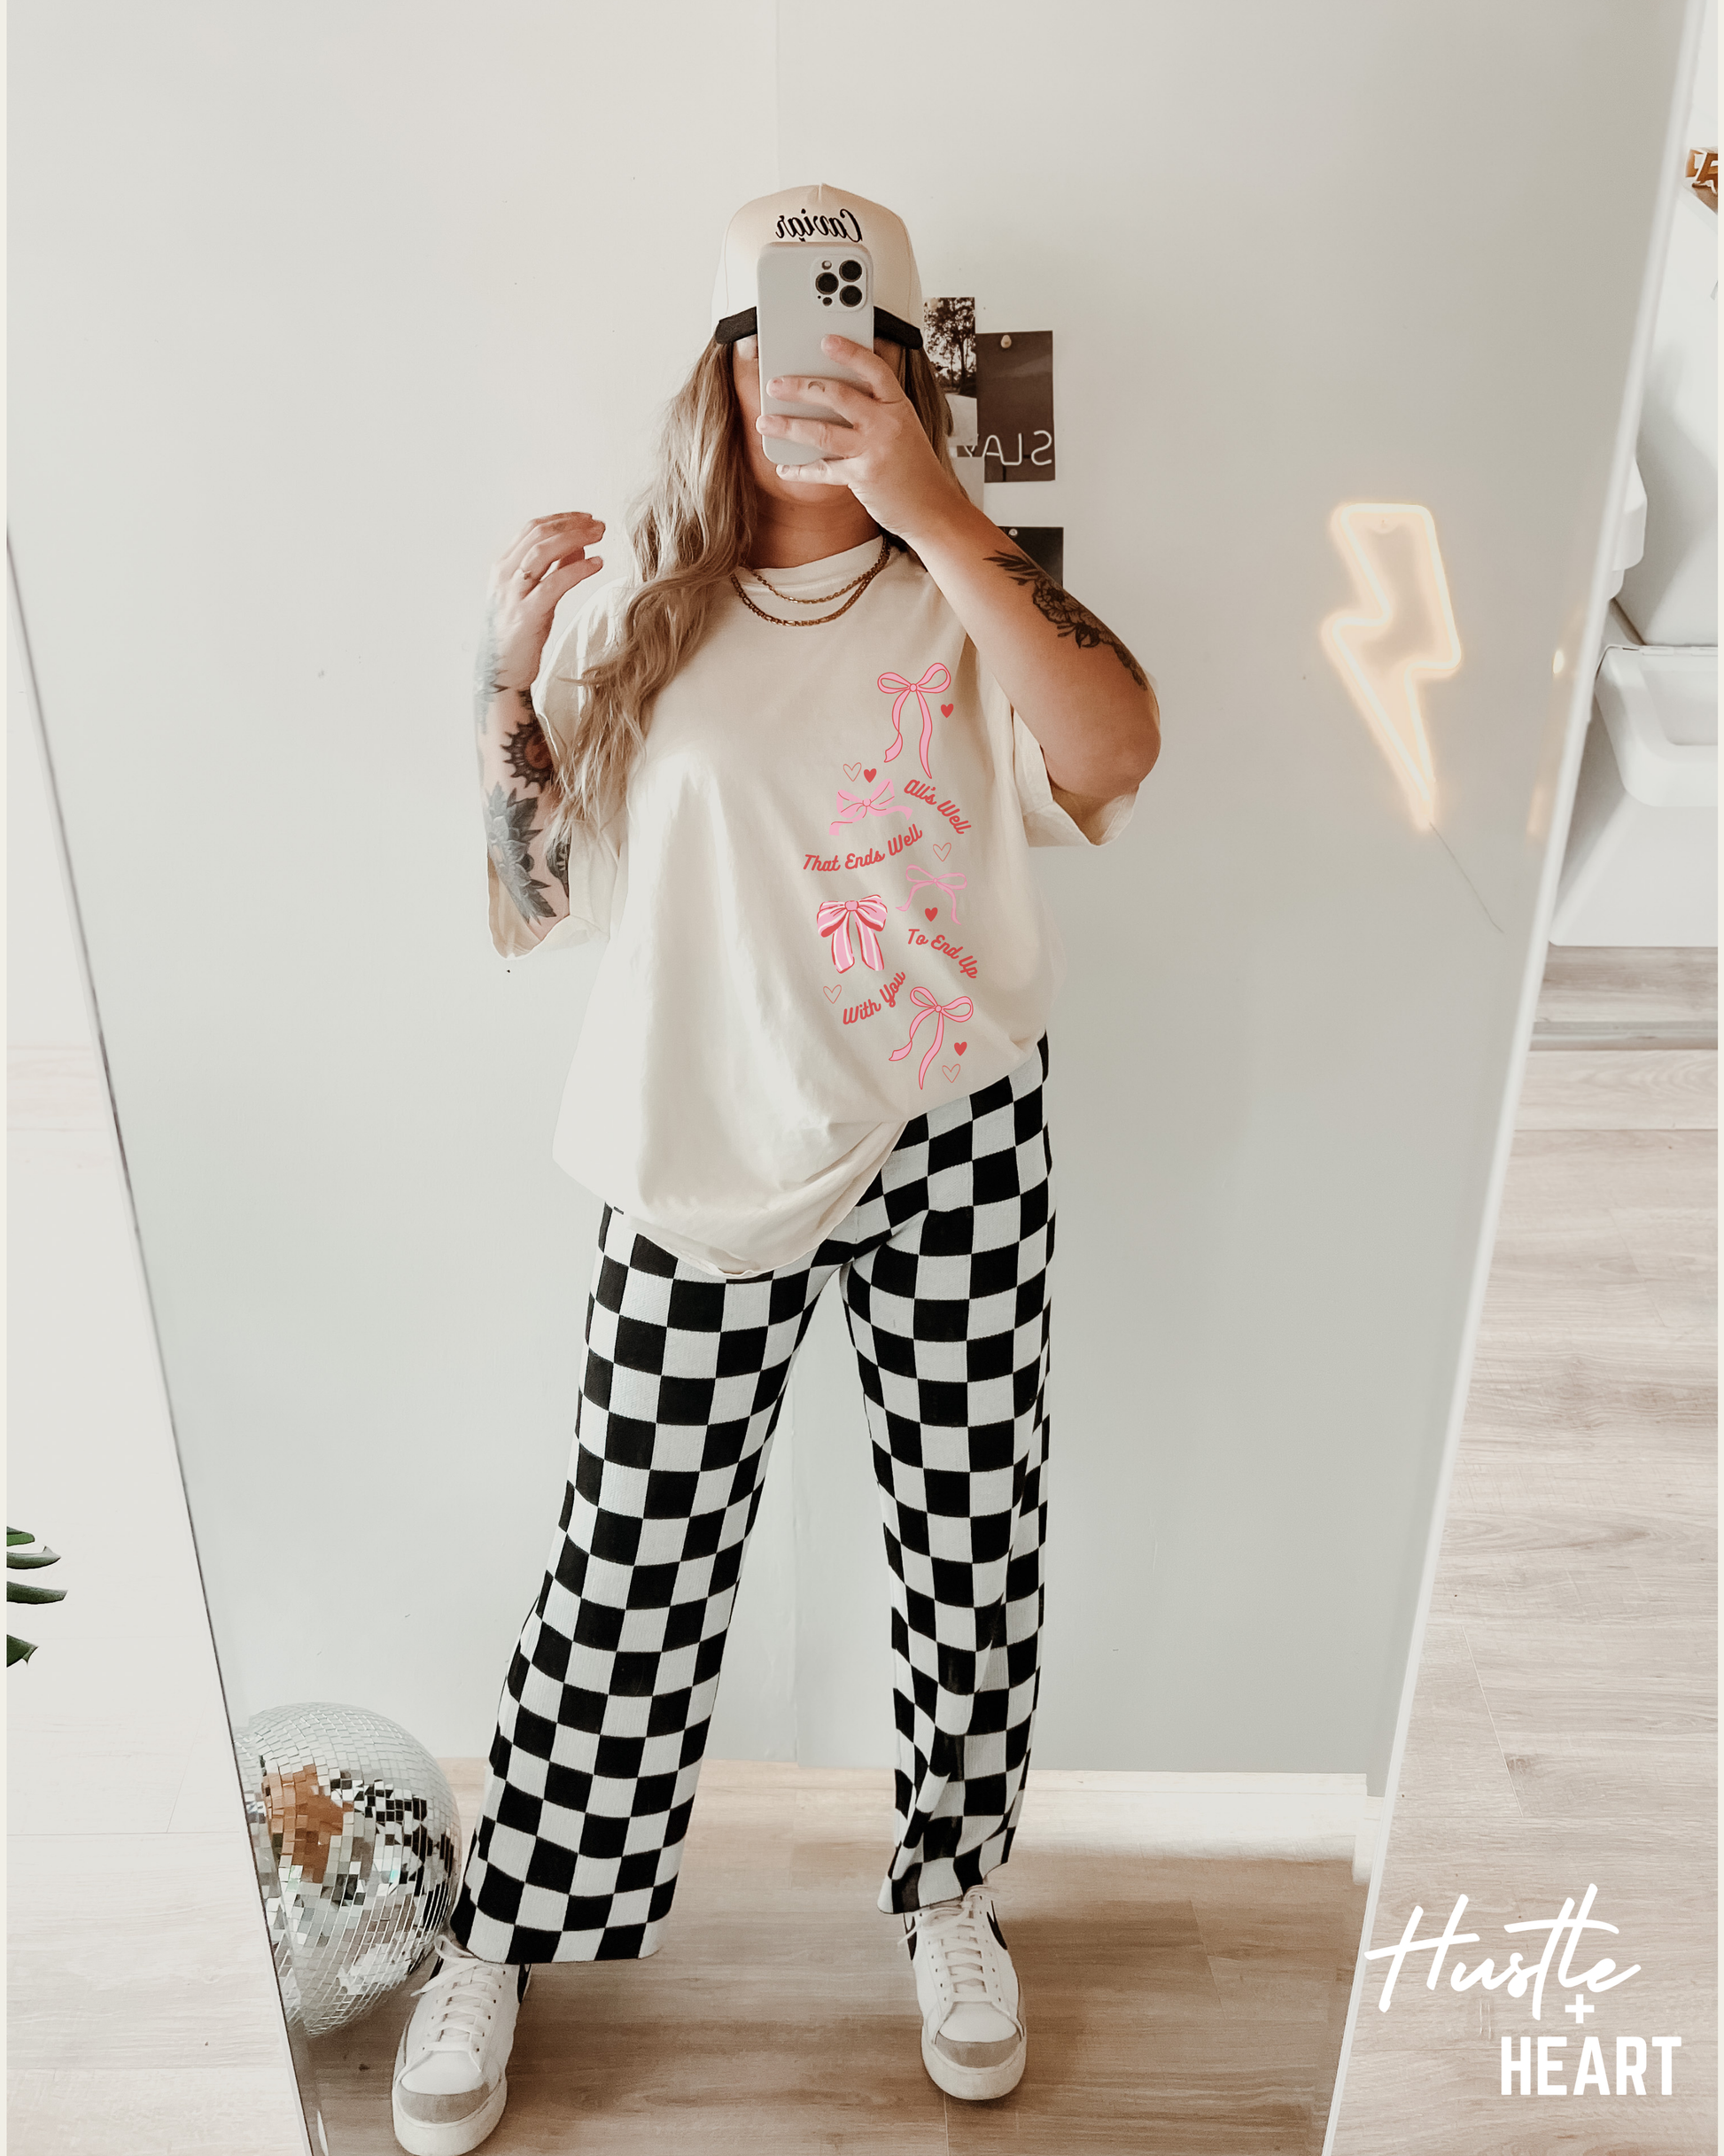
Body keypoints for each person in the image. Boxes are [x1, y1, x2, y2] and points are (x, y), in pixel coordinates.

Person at [391, 183, 1161, 2154]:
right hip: (699, 1150)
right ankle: (504, 1926)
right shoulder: (646, 609)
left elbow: (1116, 753)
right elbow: (536, 889)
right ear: (720, 376)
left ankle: (950, 1890)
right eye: (770, 345)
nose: (806, 383)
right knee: (626, 1558)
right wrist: (502, 678)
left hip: (951, 1134)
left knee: (972, 1539)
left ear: (901, 370)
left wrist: (941, 515)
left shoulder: (975, 590)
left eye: (850, 344)